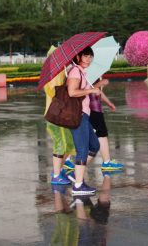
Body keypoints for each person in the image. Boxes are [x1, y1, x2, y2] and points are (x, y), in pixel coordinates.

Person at [67, 46, 103, 196]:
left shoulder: (82, 72)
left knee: (94, 145)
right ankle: (78, 186)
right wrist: (91, 90)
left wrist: (96, 87)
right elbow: (72, 92)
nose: (89, 59)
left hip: (84, 115)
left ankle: (78, 176)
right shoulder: (75, 71)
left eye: (90, 56)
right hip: (77, 115)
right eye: (85, 56)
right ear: (77, 57)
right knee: (82, 150)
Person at [43, 46, 76, 185]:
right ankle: (56, 175)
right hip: (56, 115)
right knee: (60, 144)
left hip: (61, 115)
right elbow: (54, 92)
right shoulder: (54, 74)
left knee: (68, 144)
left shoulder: (60, 72)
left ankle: (59, 170)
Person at [88, 78, 124, 172]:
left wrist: (109, 103)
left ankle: (107, 162)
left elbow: (98, 91)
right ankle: (73, 165)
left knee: (102, 135)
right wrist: (100, 83)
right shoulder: (82, 75)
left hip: (97, 110)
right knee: (100, 136)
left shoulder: (90, 75)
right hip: (91, 111)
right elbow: (84, 90)